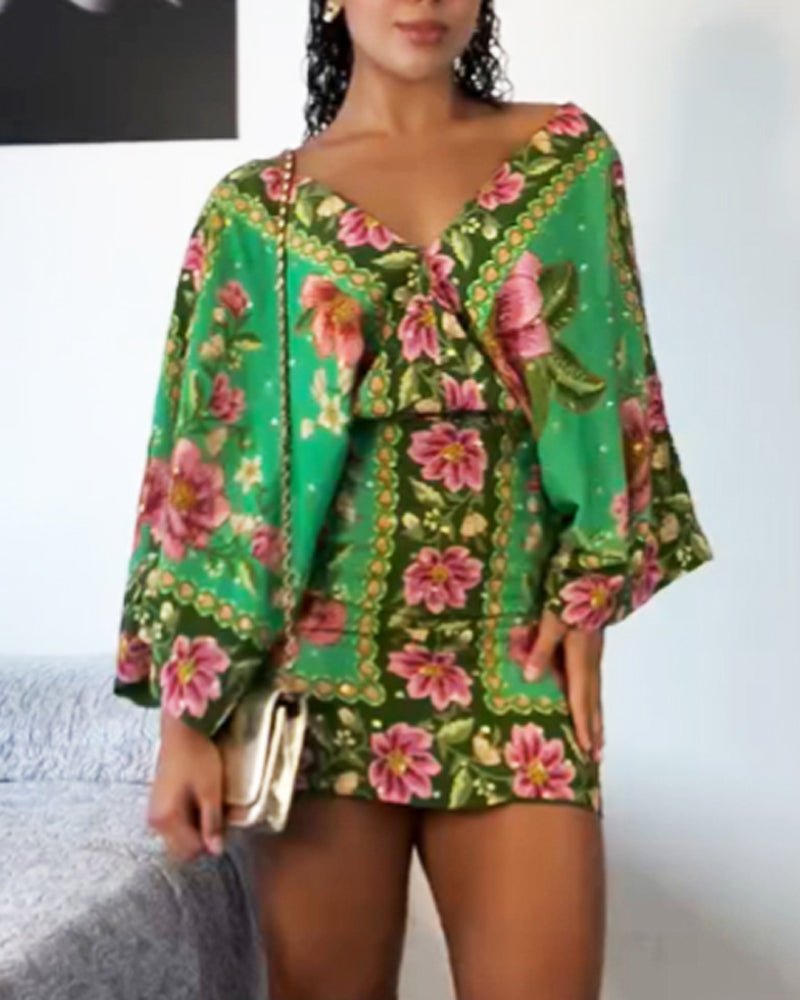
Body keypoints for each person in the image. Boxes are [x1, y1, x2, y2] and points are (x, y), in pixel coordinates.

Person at [113, 1, 713, 997]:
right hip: (316, 684)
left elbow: (611, 397)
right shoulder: (255, 213)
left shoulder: (565, 162)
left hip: (513, 661)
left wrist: (589, 595)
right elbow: (208, 472)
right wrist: (187, 717)